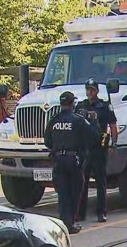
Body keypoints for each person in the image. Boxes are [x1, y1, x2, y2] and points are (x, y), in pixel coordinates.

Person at [44, 91, 93, 235]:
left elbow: (47, 141)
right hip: (73, 160)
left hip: (58, 160)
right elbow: (89, 138)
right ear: (73, 103)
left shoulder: (54, 120)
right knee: (74, 192)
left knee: (63, 193)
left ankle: (64, 222)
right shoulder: (78, 120)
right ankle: (70, 223)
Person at [75, 78, 118, 223]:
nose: (89, 92)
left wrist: (114, 144)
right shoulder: (81, 106)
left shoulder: (104, 106)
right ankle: (81, 213)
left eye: (92, 89)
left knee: (101, 182)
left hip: (99, 148)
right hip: (84, 149)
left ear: (97, 91)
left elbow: (113, 125)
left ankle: (101, 212)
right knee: (82, 182)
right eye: (88, 89)